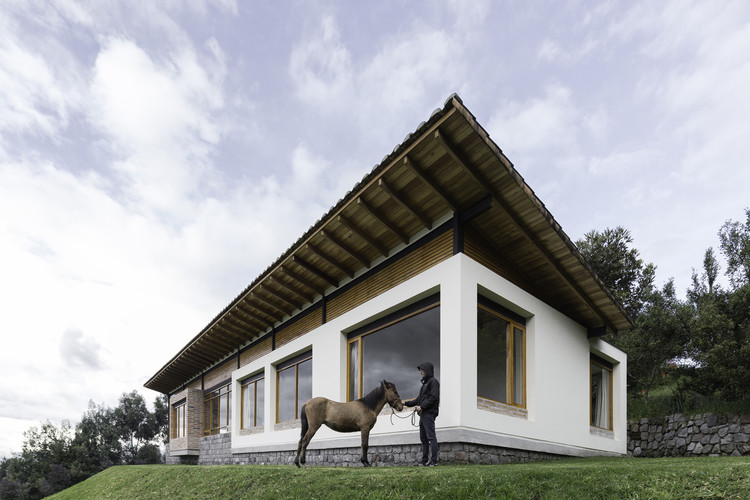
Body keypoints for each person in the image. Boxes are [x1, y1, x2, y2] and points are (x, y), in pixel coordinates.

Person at [403, 361, 440, 466]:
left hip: (429, 414)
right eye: (419, 370)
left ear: (427, 370)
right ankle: (424, 462)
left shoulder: (434, 382)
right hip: (423, 414)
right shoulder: (424, 385)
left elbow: (434, 397)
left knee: (431, 437)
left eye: (421, 370)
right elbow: (418, 399)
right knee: (423, 439)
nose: (420, 372)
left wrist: (421, 406)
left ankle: (433, 462)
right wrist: (404, 403)